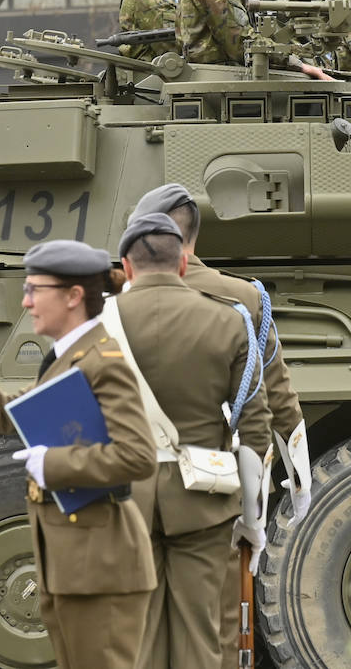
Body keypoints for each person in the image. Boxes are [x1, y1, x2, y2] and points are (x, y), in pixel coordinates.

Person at [129, 184, 309, 669]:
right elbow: (276, 399)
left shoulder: (116, 301)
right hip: (217, 482)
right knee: (215, 626)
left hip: (132, 487)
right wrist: (297, 482)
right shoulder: (245, 299)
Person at [0, 240, 157, 669]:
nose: (25, 300)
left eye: (35, 289)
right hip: (72, 562)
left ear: (73, 296)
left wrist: (51, 465)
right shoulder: (68, 357)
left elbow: (138, 455)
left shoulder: (101, 361)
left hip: (99, 567)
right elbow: (11, 414)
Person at [109, 213, 271, 669]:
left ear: (127, 264)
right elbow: (254, 427)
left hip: (123, 497)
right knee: (200, 633)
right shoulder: (230, 322)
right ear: (183, 264)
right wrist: (251, 519)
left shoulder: (99, 324)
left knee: (135, 632)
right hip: (204, 498)